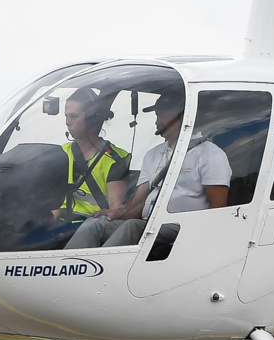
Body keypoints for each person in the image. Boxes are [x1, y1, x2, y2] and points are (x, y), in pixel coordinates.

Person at [66, 90, 230, 249]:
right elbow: (138, 202)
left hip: (182, 228)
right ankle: (70, 268)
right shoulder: (153, 155)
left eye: (163, 115)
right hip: (148, 223)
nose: (157, 121)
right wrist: (118, 213)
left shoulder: (210, 154)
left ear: (183, 115)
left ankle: (99, 271)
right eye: (157, 115)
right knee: (96, 223)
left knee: (132, 227)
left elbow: (217, 210)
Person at [57, 88, 130, 227]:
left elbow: (115, 207)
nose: (67, 122)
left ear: (91, 119)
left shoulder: (114, 159)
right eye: (66, 116)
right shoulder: (61, 152)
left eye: (73, 116)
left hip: (89, 224)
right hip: (59, 225)